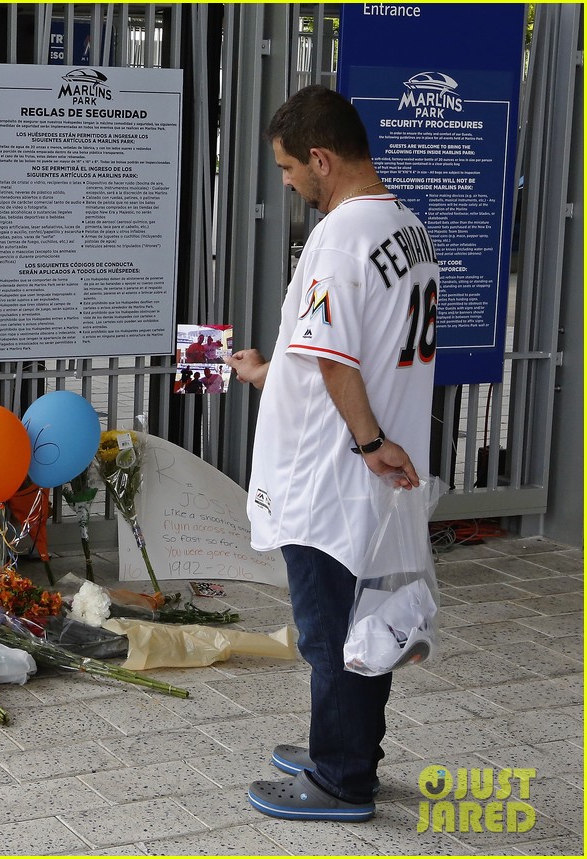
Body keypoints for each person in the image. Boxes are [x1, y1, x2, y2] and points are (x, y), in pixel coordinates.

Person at [227, 85, 437, 823]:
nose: (286, 182)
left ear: (321, 158)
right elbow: (338, 344)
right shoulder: (405, 226)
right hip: (367, 474)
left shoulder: (341, 235)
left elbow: (336, 357)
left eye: (288, 168)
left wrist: (369, 442)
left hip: (334, 474)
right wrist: (265, 370)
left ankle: (343, 777)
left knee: (332, 630)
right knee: (362, 618)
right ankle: (342, 747)